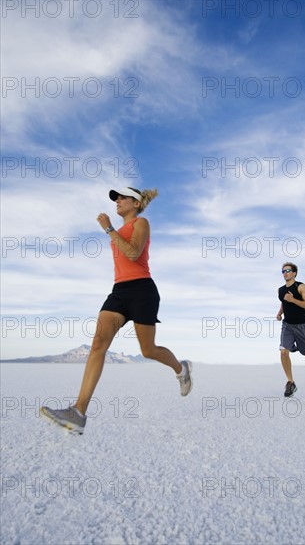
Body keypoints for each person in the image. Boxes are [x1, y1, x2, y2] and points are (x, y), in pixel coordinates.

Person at [41, 186, 193, 434]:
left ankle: (181, 368)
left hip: (143, 290)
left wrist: (109, 229)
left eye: (123, 197)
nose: (118, 201)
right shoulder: (119, 231)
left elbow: (133, 253)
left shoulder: (141, 223)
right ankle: (78, 412)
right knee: (98, 343)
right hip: (119, 292)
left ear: (136, 203)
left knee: (148, 350)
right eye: (116, 198)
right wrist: (112, 231)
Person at [276, 262, 305, 397]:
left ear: (294, 273)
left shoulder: (301, 287)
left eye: (288, 270)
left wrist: (293, 300)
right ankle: (291, 382)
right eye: (283, 271)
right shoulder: (280, 290)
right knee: (283, 351)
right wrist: (280, 313)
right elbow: (284, 302)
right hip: (287, 326)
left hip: (303, 327)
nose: (285, 273)